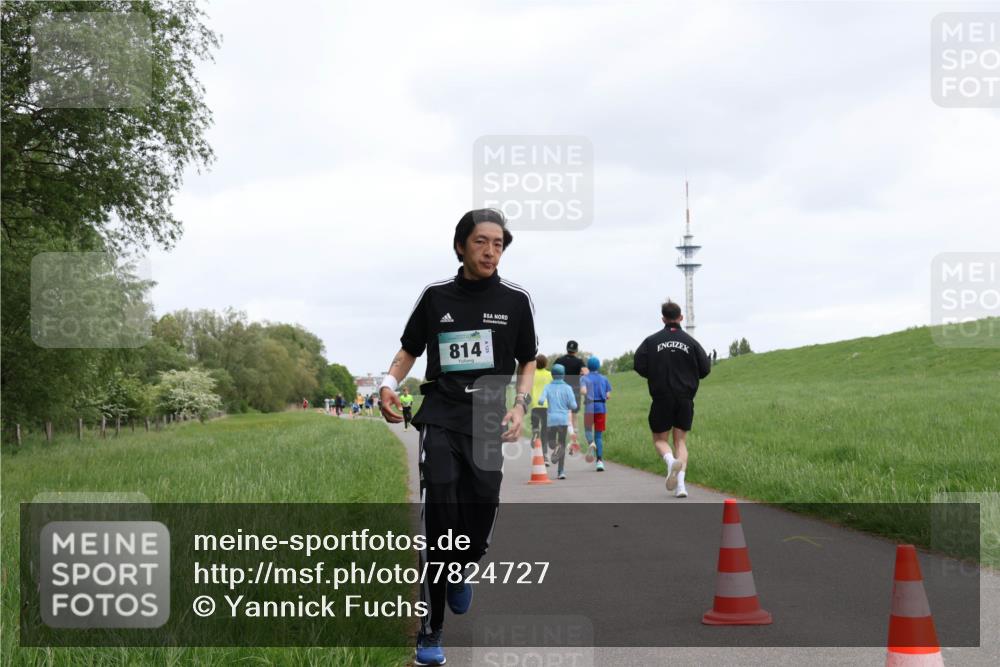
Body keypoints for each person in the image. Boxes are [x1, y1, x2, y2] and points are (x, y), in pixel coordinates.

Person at [377, 208, 537, 666]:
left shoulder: (516, 300)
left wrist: (519, 404)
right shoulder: (435, 296)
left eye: (498, 244)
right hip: (442, 413)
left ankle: (463, 566)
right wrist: (388, 383)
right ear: (461, 246)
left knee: (483, 503)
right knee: (438, 519)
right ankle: (430, 632)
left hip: (487, 415)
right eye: (481, 242)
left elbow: (527, 359)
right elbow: (409, 349)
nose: (490, 252)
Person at [633, 299, 711, 499]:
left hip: (662, 396)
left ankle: (670, 462)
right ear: (681, 317)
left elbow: (638, 364)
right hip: (685, 397)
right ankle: (681, 487)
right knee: (680, 441)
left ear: (663, 319)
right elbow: (705, 369)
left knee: (660, 440)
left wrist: (654, 373)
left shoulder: (651, 341)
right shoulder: (691, 342)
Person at [538, 363, 577, 479]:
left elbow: (540, 401)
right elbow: (574, 406)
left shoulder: (547, 387)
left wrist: (543, 401)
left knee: (551, 443)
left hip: (551, 420)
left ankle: (556, 447)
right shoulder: (568, 388)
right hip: (563, 420)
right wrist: (567, 404)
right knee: (562, 444)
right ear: (563, 375)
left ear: (552, 375)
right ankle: (561, 472)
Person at [580, 355, 612, 471]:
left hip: (589, 407)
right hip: (601, 408)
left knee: (588, 430)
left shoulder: (584, 378)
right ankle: (599, 462)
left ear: (588, 366)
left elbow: (583, 391)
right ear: (598, 366)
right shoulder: (604, 378)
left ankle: (591, 444)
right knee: (598, 435)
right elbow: (608, 395)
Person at [554, 340, 584, 454]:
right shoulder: (579, 361)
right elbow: (586, 372)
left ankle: (560, 444)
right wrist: (580, 374)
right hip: (574, 391)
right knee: (574, 417)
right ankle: (573, 444)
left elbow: (554, 373)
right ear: (576, 350)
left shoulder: (559, 360)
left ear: (567, 349)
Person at [529, 354, 553, 465]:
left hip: (535, 405)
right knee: (545, 432)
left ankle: (535, 432)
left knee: (535, 426)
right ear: (546, 364)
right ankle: (545, 456)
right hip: (546, 406)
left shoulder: (532, 374)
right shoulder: (549, 374)